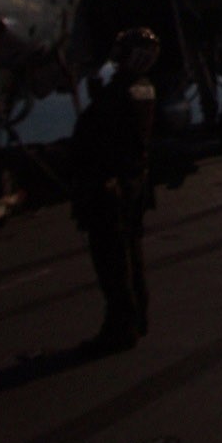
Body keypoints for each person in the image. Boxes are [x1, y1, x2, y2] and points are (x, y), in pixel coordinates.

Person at [70, 26, 159, 356]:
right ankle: (138, 319)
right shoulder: (144, 88)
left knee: (113, 262)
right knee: (131, 255)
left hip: (110, 189)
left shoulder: (119, 92)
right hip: (133, 184)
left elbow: (97, 136)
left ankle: (120, 329)